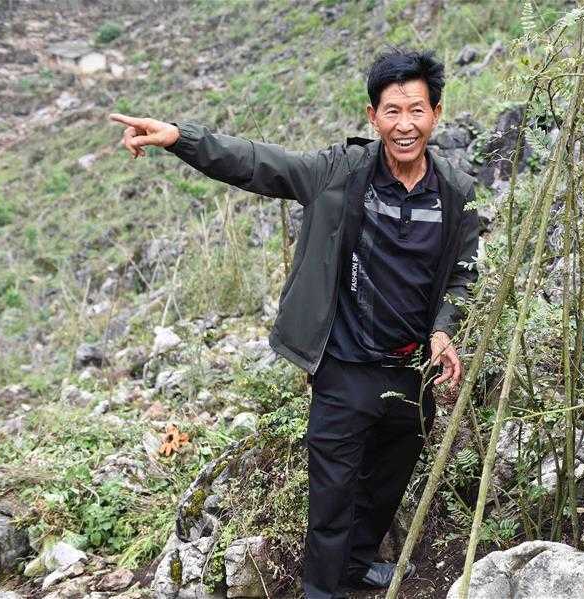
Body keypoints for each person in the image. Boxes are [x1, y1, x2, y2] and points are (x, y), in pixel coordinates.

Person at [109, 47, 480, 599]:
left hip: (411, 371)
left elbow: (463, 275)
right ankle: (322, 590)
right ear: (372, 115)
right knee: (332, 496)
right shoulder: (340, 173)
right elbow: (260, 163)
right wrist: (178, 138)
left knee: (387, 483)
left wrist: (446, 326)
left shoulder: (454, 193)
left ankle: (356, 566)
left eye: (417, 110)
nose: (405, 125)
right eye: (392, 111)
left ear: (437, 113)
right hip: (344, 368)